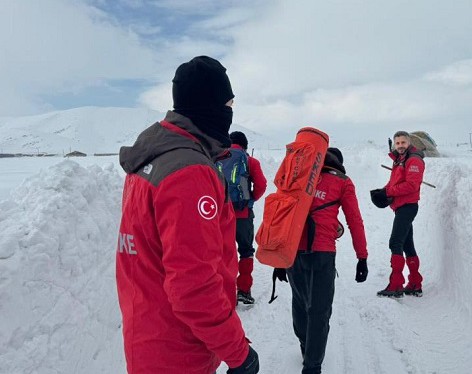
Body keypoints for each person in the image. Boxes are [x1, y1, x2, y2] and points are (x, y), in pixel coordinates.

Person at [116, 56, 259, 374]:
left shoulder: (152, 156)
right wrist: (238, 353)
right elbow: (193, 285)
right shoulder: (189, 172)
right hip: (178, 351)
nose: (230, 111)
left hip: (149, 336)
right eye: (229, 103)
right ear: (211, 105)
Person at [274, 147, 368, 374]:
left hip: (292, 252)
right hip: (323, 254)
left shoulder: (299, 177)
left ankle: (306, 346)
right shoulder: (343, 182)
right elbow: (355, 220)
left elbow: (279, 215)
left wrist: (278, 258)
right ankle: (312, 365)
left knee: (299, 301)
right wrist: (361, 256)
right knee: (319, 309)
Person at [372, 130, 426, 298]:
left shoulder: (413, 160)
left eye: (403, 142)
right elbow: (394, 181)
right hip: (401, 206)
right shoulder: (399, 160)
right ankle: (415, 283)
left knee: (395, 242)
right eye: (398, 143)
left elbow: (411, 185)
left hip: (408, 206)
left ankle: (396, 285)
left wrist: (390, 192)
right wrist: (385, 190)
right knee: (407, 244)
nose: (400, 146)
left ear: (409, 143)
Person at [224, 131, 267, 304]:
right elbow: (262, 185)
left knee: (223, 252)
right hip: (243, 214)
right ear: (245, 145)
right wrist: (249, 199)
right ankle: (243, 290)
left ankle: (225, 292)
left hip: (221, 214)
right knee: (246, 251)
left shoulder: (218, 158)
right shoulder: (250, 161)